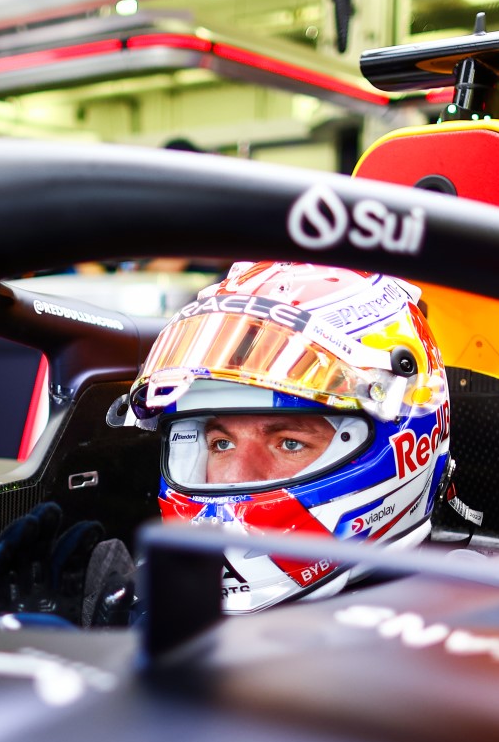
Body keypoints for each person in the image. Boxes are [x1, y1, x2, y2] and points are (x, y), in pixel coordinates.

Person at [129, 260, 451, 614]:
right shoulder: (145, 606)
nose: (235, 476)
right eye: (221, 444)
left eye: (289, 443)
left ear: (405, 448)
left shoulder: (475, 627)